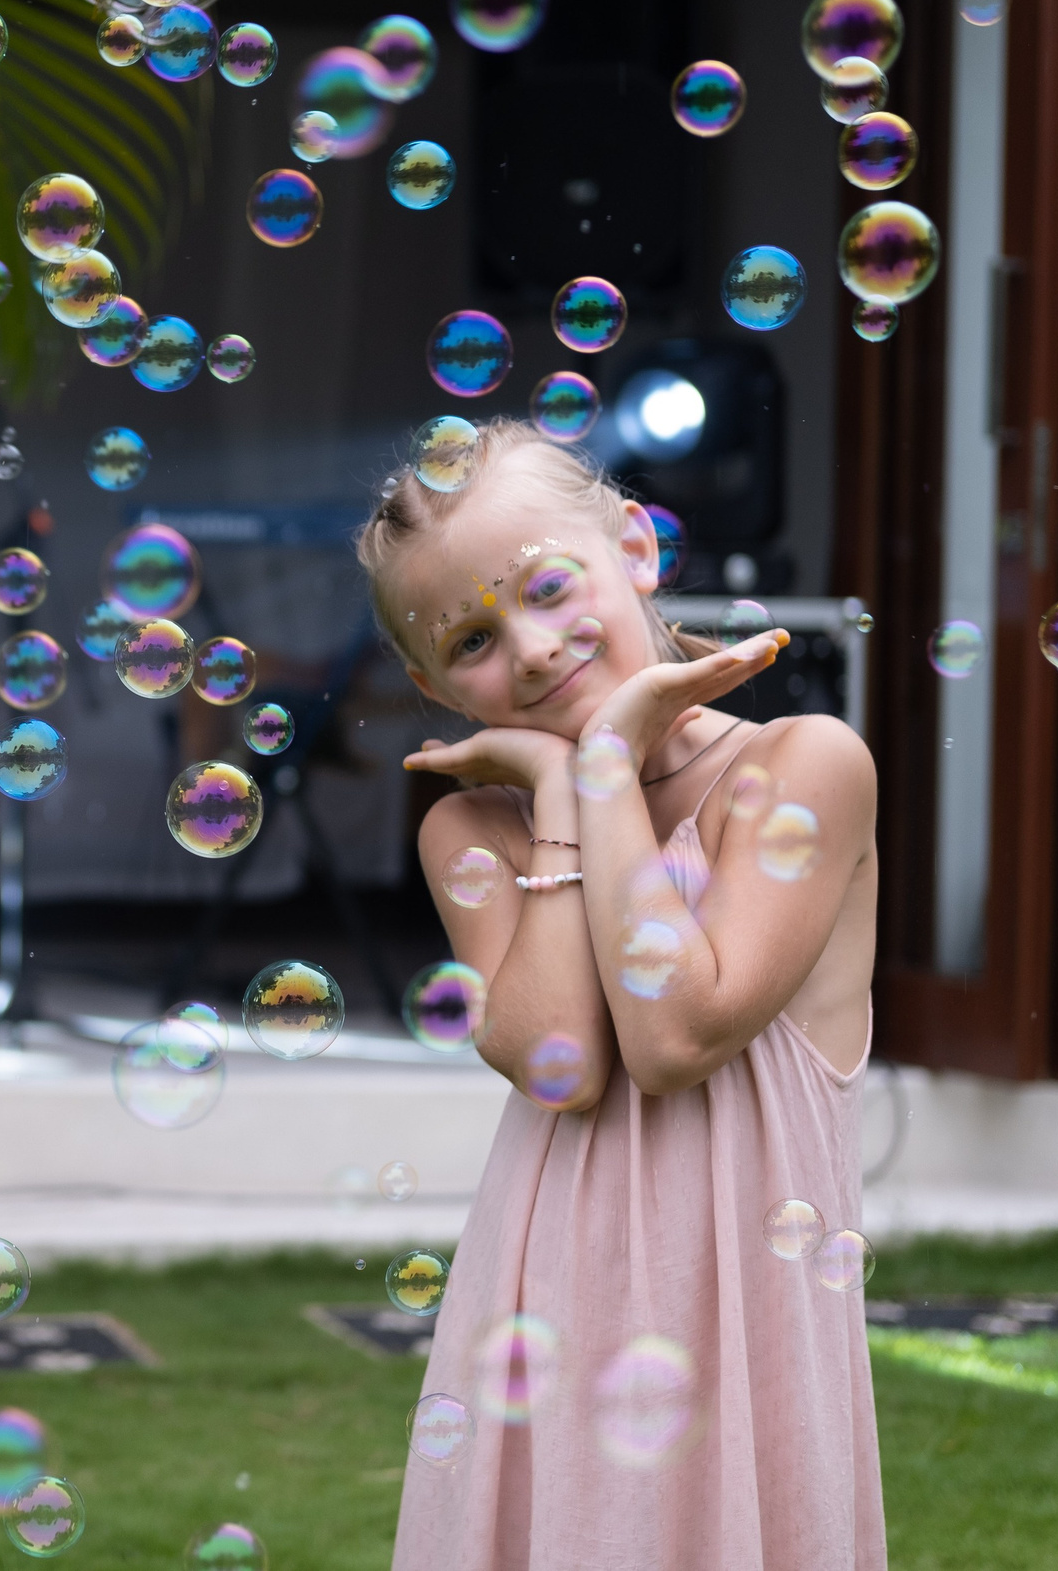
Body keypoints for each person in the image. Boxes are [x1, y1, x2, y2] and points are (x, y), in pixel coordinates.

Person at [364, 419, 883, 1570]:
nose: (536, 650)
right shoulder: (472, 825)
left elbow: (673, 1032)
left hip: (742, 1317)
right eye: (471, 642)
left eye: (550, 588)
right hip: (544, 1306)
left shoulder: (802, 767)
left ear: (637, 547)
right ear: (428, 685)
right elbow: (564, 1055)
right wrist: (565, 783)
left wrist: (593, 766)